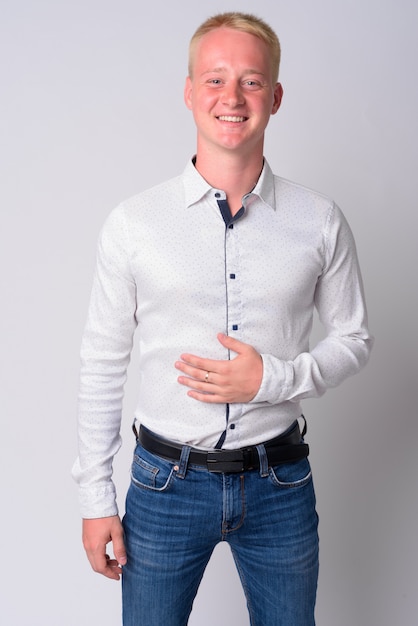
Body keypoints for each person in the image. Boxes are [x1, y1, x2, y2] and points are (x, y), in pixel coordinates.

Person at [72, 11, 373, 626]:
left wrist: (273, 380)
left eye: (252, 81)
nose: (232, 97)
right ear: (188, 93)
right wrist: (95, 496)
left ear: (276, 96)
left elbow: (355, 339)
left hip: (280, 482)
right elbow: (102, 362)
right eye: (214, 79)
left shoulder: (318, 220)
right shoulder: (135, 224)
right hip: (163, 486)